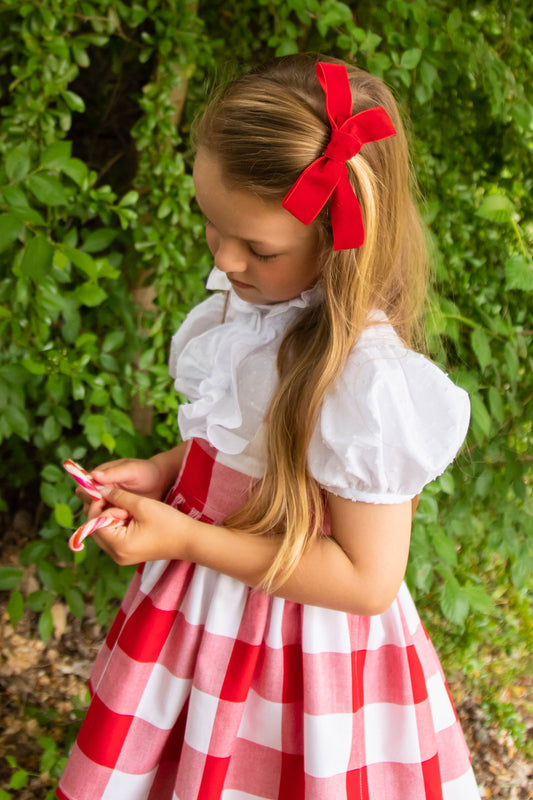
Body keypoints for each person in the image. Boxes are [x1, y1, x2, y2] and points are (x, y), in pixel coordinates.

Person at [57, 54, 479, 800]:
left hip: (293, 658)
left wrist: (186, 538)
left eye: (257, 247)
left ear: (341, 238)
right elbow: (239, 448)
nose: (224, 259)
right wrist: (165, 471)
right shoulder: (248, 310)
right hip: (198, 631)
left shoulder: (362, 383)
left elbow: (366, 580)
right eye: (212, 225)